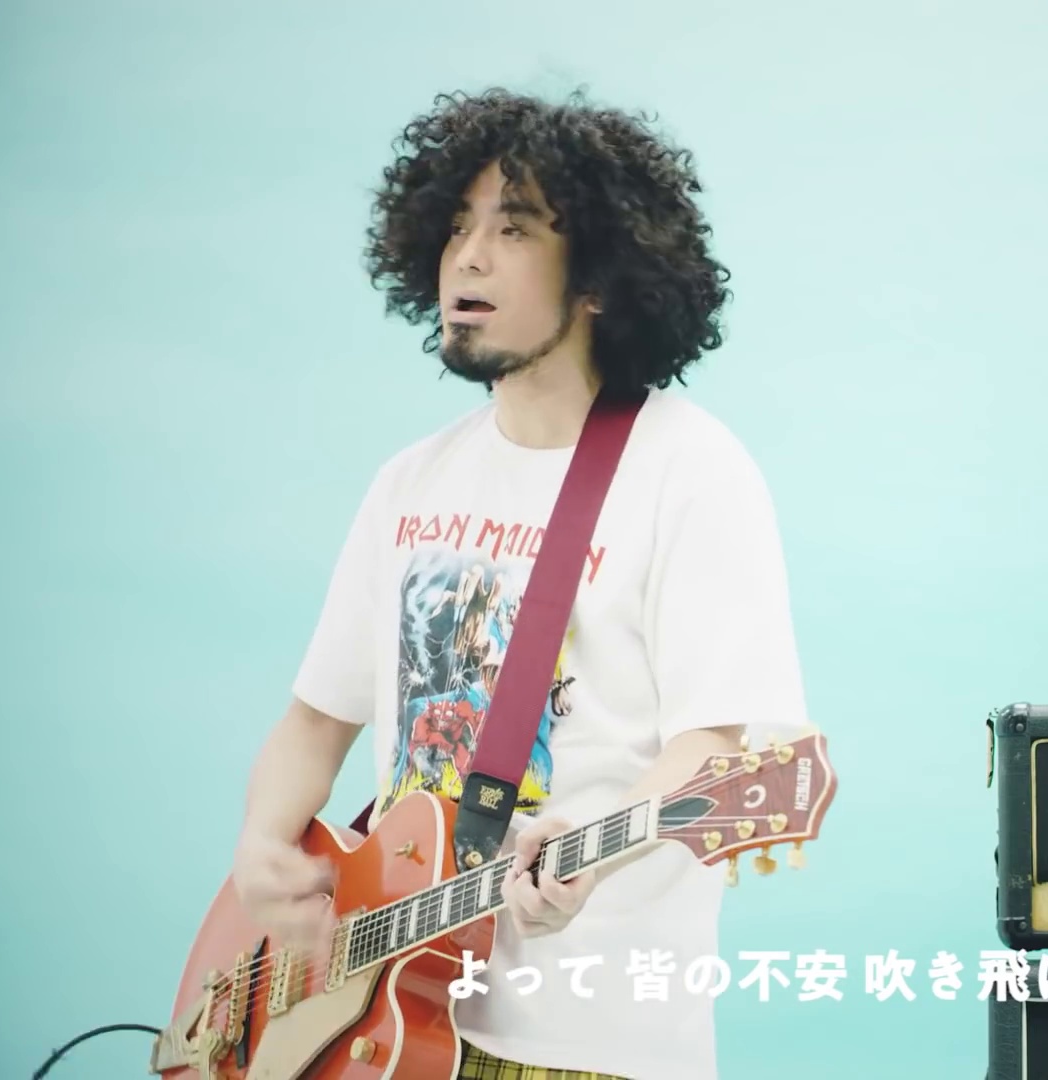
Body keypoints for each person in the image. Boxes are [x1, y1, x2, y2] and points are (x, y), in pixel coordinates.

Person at [226, 87, 810, 1080]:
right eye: (456, 227)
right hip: (380, 1022)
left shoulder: (689, 471)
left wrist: (594, 849)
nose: (468, 258)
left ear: (598, 277)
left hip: (591, 1041)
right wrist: (259, 848)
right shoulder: (411, 482)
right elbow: (314, 725)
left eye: (514, 228)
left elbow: (714, 750)